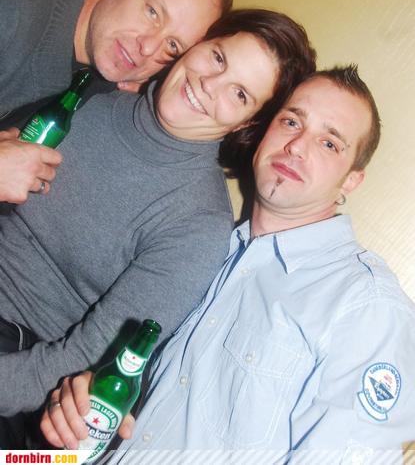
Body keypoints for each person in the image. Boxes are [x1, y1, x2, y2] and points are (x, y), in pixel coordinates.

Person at [43, 66, 415, 461]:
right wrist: (77, 412)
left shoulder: (367, 307)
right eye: (291, 122)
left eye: (329, 143)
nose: (296, 146)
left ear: (351, 181)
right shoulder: (206, 249)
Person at [0, 9, 316, 426]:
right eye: (218, 57)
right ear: (199, 44)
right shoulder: (93, 91)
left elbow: (84, 358)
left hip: (20, 358)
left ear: (249, 122)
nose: (209, 84)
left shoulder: (198, 223)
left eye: (239, 94)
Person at [0, 0, 232, 203]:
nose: (148, 48)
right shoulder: (12, 0)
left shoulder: (103, 75)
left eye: (172, 45)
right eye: (153, 12)